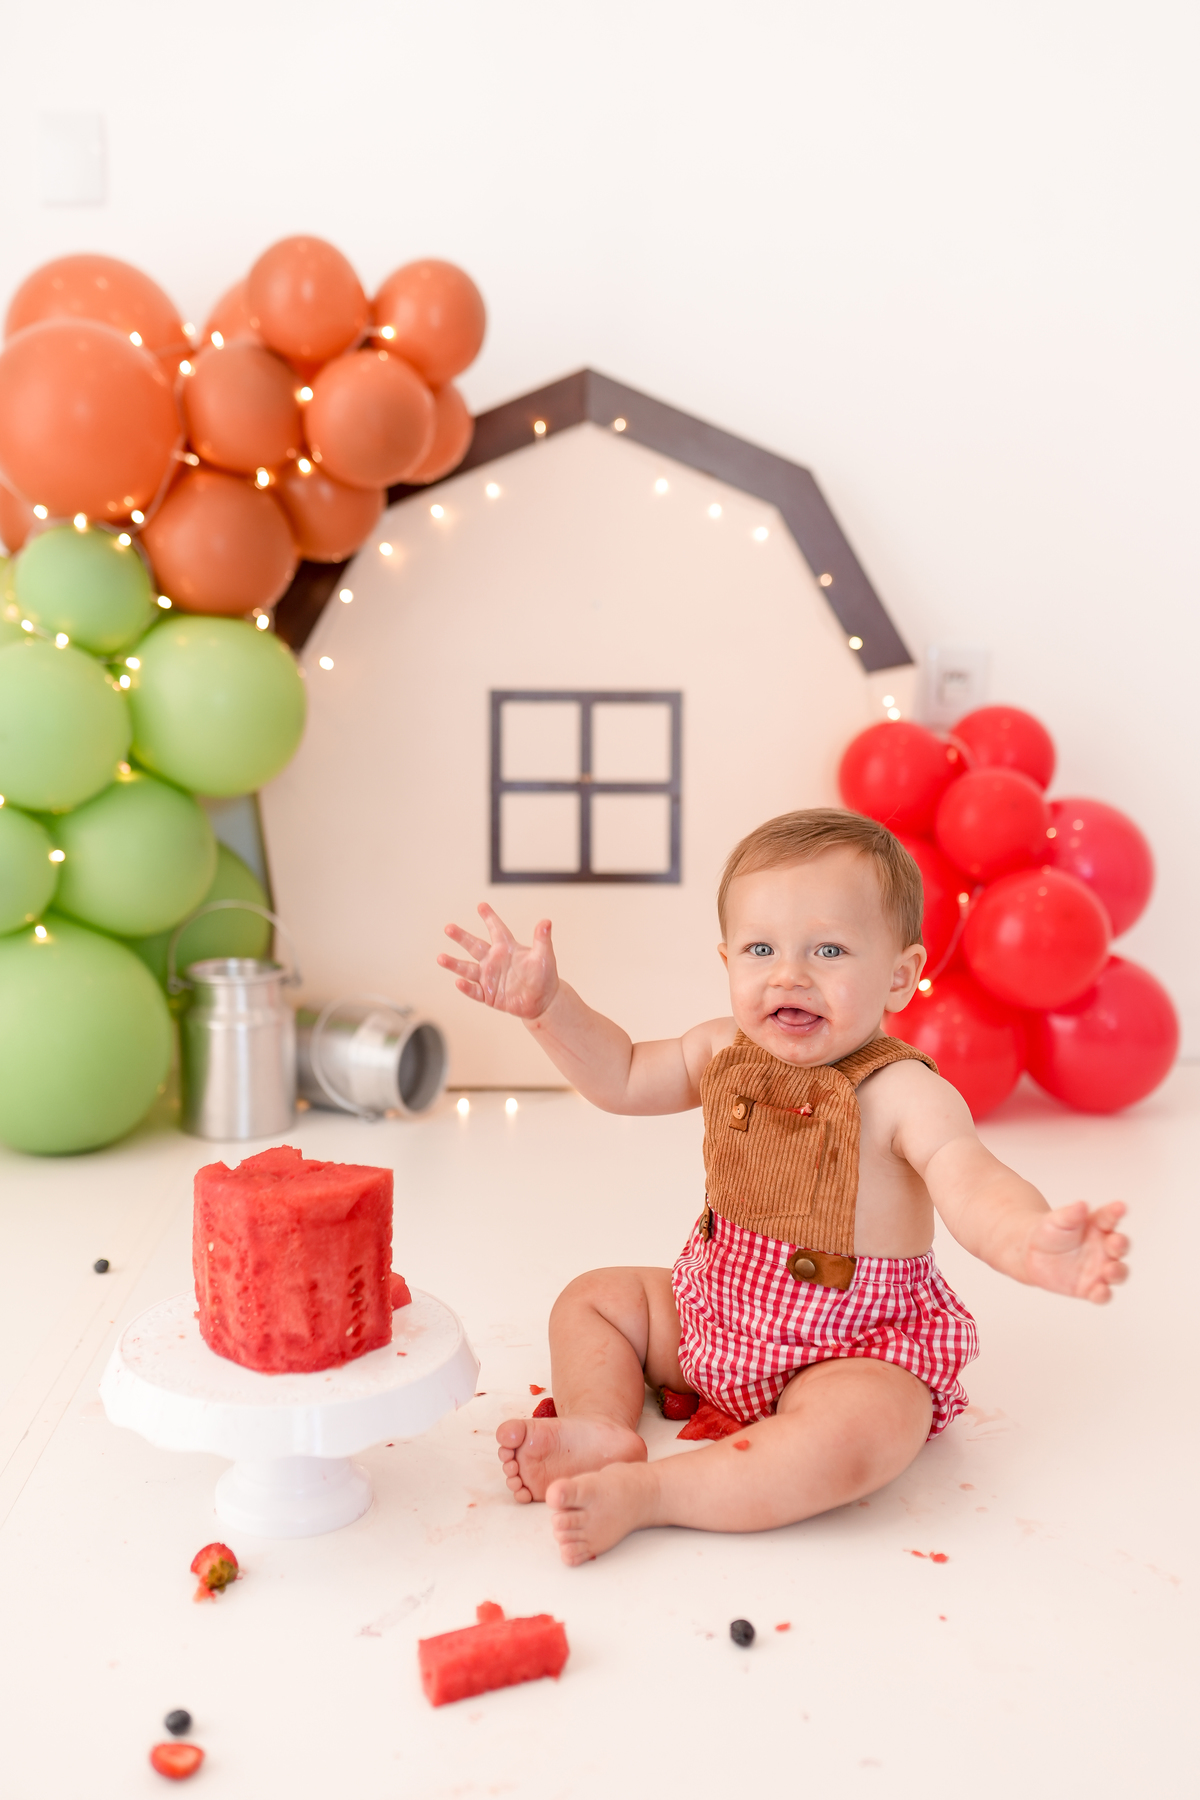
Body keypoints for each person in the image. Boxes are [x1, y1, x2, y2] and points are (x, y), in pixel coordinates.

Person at [437, 809, 1129, 1566]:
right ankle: (600, 1427)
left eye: (828, 950)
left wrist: (1026, 1237)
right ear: (727, 959)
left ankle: (655, 1493)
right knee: (594, 1298)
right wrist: (548, 1007)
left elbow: (971, 1178)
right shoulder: (719, 1049)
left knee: (863, 1432)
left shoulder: (904, 1094)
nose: (788, 975)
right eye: (761, 949)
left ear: (899, 976)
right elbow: (623, 1074)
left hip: (849, 1348)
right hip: (717, 1314)